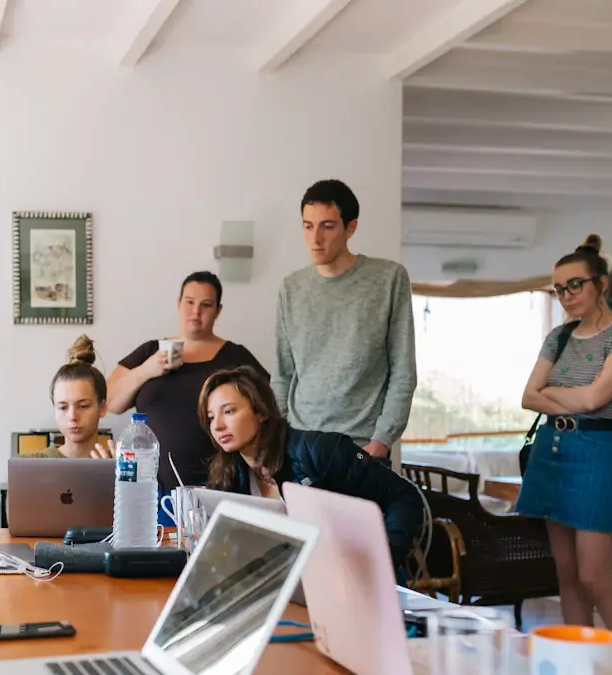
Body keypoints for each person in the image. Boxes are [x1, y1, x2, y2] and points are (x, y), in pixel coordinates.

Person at [517, 234, 612, 670]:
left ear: (601, 284)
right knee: (567, 574)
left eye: (576, 285)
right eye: (558, 288)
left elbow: (595, 401)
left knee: (595, 576)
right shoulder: (558, 336)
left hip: (599, 453)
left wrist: (554, 392)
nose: (566, 295)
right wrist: (564, 395)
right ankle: (582, 666)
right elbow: (527, 397)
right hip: (554, 450)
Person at [199, 366, 423, 573]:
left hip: (352, 579)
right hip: (292, 583)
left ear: (261, 412)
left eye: (228, 412)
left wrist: (382, 563)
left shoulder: (321, 450)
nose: (217, 425)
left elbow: (404, 496)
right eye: (211, 417)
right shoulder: (228, 475)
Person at [273, 179, 416, 463]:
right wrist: (280, 436)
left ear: (350, 228)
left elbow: (403, 370)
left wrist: (382, 440)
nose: (315, 239)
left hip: (363, 447)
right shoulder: (291, 288)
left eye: (327, 226)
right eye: (307, 226)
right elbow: (282, 373)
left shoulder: (388, 279)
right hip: (301, 444)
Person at [107, 271, 267, 489]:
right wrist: (147, 369)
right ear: (179, 303)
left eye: (206, 304)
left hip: (220, 484)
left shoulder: (235, 357)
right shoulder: (151, 351)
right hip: (149, 487)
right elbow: (110, 402)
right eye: (190, 302)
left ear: (218, 311)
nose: (196, 311)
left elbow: (269, 407)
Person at [38, 335, 115, 459]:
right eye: (63, 407)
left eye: (83, 406)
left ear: (102, 408)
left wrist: (115, 476)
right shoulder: (31, 464)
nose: (73, 416)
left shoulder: (120, 466)